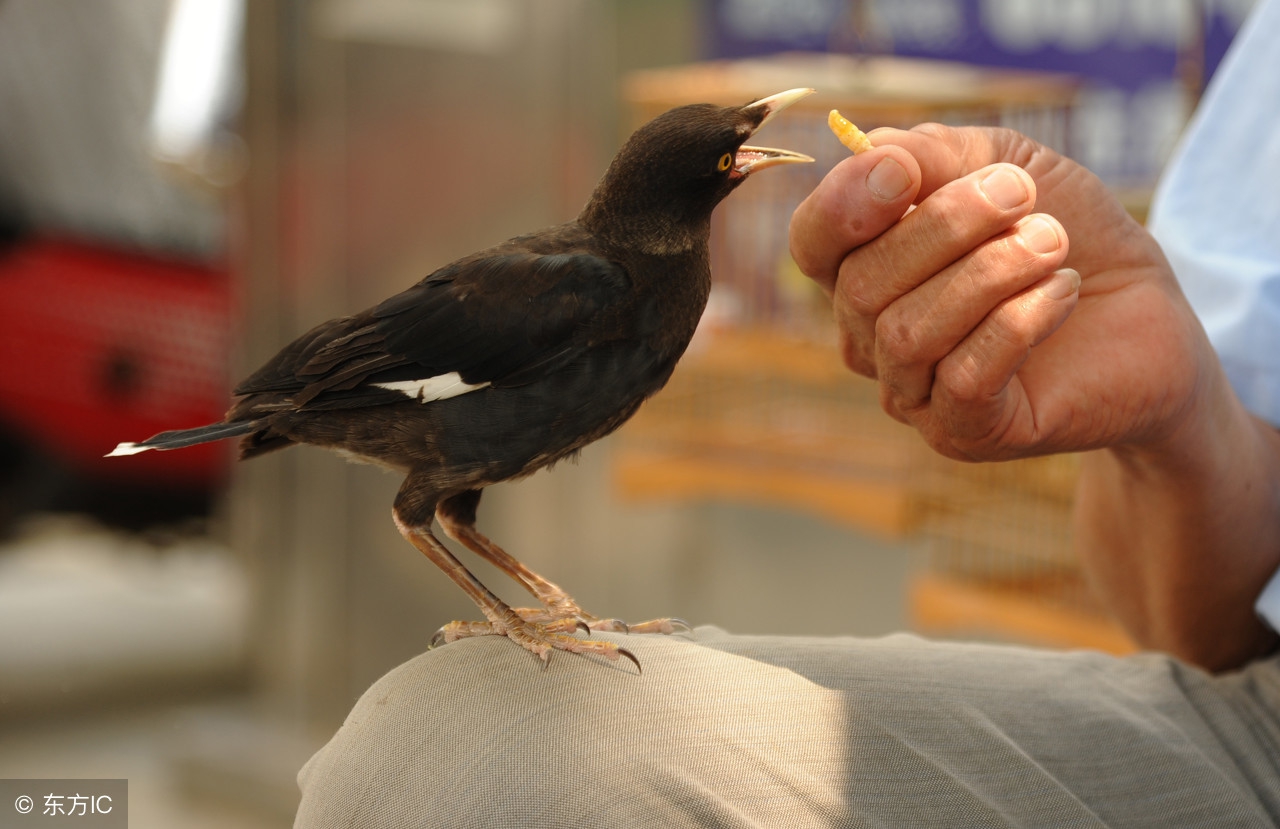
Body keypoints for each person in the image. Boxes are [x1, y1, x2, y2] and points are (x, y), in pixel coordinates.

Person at [294, 1, 1280, 825]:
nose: (752, 141)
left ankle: (541, 614)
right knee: (455, 750)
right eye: (729, 149)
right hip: (1251, 720)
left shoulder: (634, 278)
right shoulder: (577, 284)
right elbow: (1195, 627)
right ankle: (529, 621)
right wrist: (1183, 408)